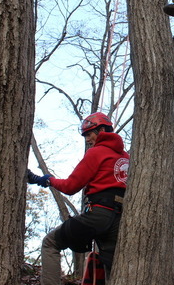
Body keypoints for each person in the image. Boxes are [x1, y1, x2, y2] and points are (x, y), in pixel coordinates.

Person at [27, 112, 130, 285]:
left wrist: (46, 180)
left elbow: (70, 186)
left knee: (50, 243)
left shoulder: (96, 153)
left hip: (98, 214)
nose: (87, 139)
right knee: (112, 266)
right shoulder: (126, 157)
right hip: (119, 219)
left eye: (89, 134)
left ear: (102, 130)